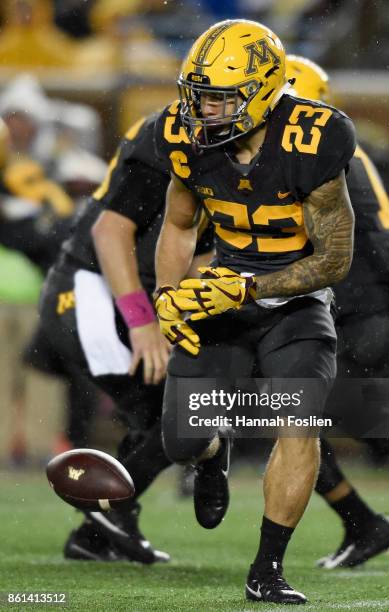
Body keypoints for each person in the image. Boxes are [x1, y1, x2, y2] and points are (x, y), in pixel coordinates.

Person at [154, 19, 356, 605]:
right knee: (182, 441)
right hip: (222, 293)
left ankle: (267, 570)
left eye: (221, 97)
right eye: (200, 95)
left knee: (300, 417)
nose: (206, 110)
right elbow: (179, 222)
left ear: (265, 89)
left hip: (294, 299)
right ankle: (213, 454)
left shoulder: (314, 136)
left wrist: (245, 289)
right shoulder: (184, 136)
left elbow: (335, 260)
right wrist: (168, 296)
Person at [28, 112, 213, 563]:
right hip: (90, 288)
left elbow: (198, 259)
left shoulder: (231, 164)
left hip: (129, 294)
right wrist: (142, 321)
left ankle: (97, 533)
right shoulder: (177, 143)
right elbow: (109, 232)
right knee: (170, 412)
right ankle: (110, 511)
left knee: (173, 411)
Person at [286, 55, 389, 568]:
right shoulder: (344, 145)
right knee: (360, 425)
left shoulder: (309, 153)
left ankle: (361, 523)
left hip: (373, 314)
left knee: (289, 413)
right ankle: (362, 524)